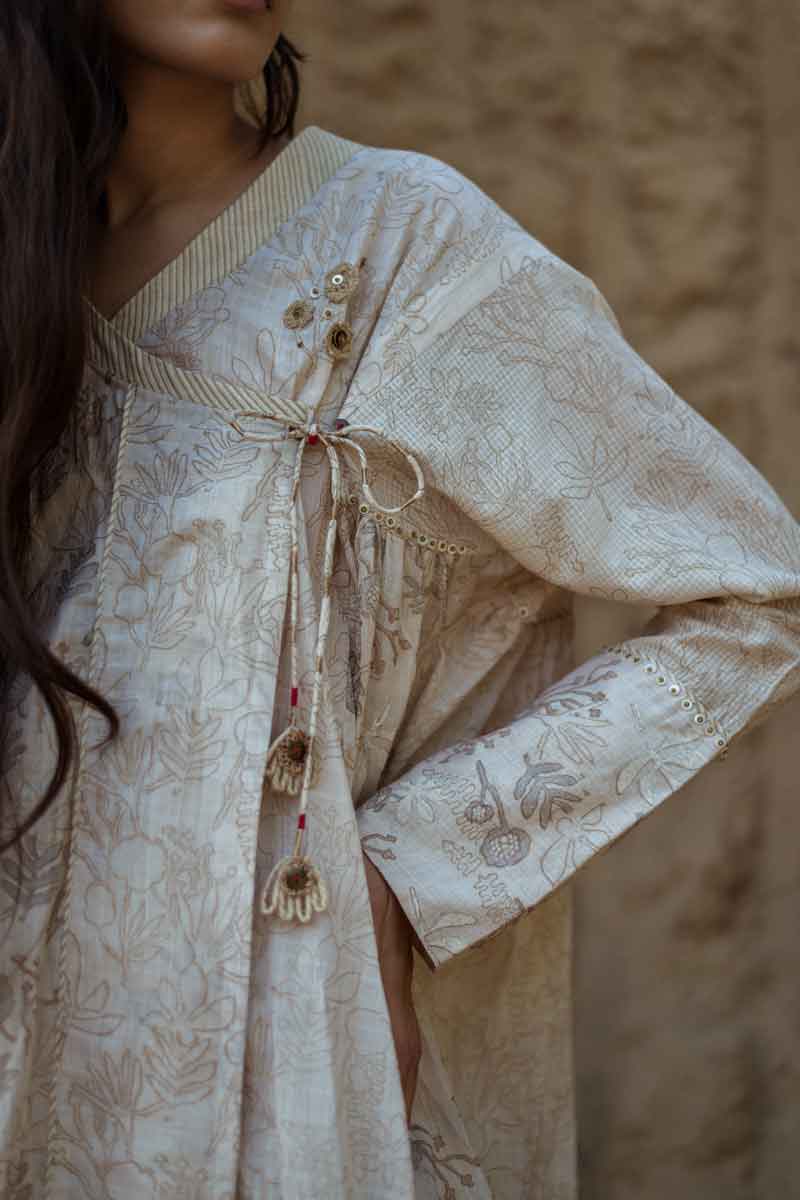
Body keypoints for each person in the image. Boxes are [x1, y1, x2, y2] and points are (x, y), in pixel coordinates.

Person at [1, 2, 798, 1197]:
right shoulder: (28, 262)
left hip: (277, 1041)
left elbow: (757, 594)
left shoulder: (401, 244)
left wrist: (410, 868)